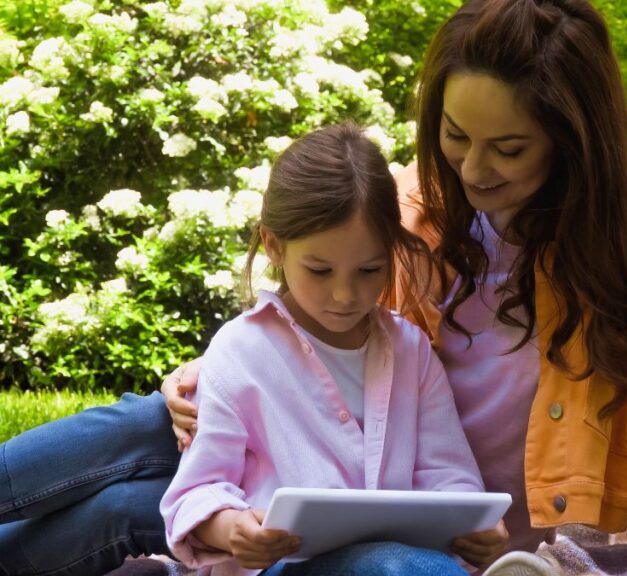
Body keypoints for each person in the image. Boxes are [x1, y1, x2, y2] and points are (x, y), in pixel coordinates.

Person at [0, 1, 627, 575]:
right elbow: (309, 324)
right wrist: (213, 376)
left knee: (130, 509)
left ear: (573, 140)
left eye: (509, 148)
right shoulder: (414, 203)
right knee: (141, 424)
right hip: (320, 468)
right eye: (455, 135)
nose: (472, 169)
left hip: (454, 526)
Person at [157, 122, 488, 575]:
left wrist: (475, 525)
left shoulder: (411, 350)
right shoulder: (239, 351)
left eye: (370, 270)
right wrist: (232, 527)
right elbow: (197, 489)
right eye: (319, 270)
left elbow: (448, 475)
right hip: (286, 569)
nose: (345, 296)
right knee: (395, 566)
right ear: (274, 245)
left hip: (397, 562)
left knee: (401, 564)